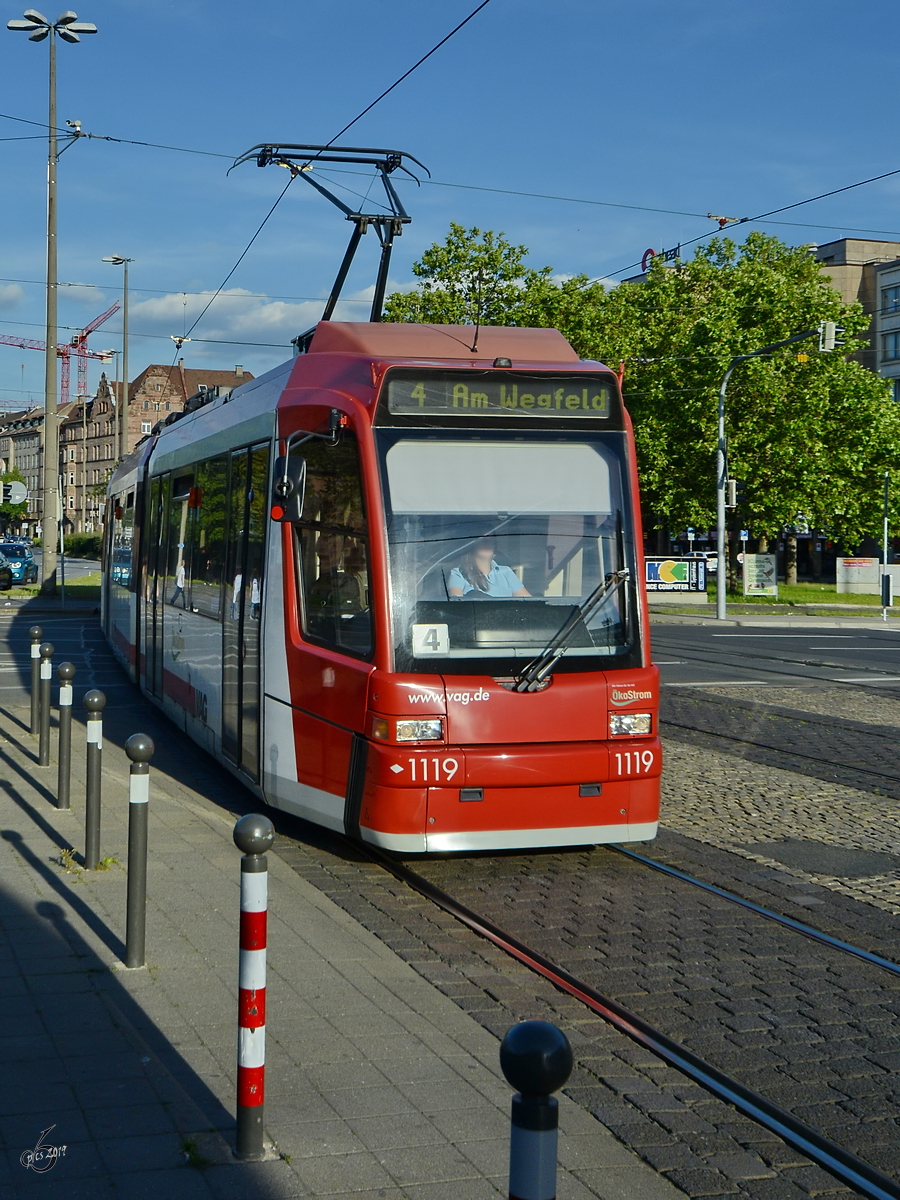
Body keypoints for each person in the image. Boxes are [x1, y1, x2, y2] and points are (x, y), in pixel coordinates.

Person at [448, 538, 530, 598]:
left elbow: (528, 603)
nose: (487, 543)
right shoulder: (458, 573)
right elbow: (457, 604)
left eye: (491, 540)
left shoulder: (506, 571)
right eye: (483, 540)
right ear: (472, 544)